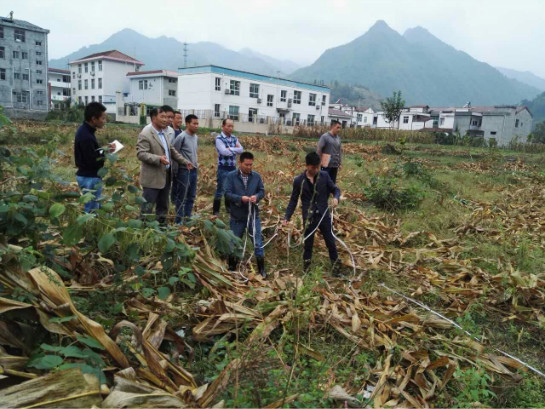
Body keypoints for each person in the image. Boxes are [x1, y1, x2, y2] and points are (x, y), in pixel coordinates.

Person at [283, 152, 341, 275]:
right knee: (308, 243)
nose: (315, 170)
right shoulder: (299, 181)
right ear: (307, 166)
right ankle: (307, 270)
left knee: (330, 241)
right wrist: (287, 217)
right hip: (309, 216)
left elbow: (335, 189)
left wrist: (336, 198)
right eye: (313, 167)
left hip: (323, 215)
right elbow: (293, 200)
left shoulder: (324, 176)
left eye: (317, 167)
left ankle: (336, 269)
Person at [136, 107, 189, 224]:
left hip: (165, 176)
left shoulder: (164, 133)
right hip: (152, 178)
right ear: (154, 118)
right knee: (147, 208)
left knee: (163, 206)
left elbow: (171, 150)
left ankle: (161, 229)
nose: (166, 120)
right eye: (163, 117)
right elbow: (141, 154)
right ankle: (143, 231)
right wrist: (158, 159)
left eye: (167, 117)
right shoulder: (146, 134)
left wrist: (184, 161)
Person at [224, 151, 266, 278]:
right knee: (234, 243)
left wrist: (256, 197)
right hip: (237, 216)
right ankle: (232, 267)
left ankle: (262, 270)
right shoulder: (231, 176)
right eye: (246, 165)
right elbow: (227, 193)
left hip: (253, 215)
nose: (249, 167)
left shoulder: (256, 176)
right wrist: (240, 198)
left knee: (258, 243)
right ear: (240, 163)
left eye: (251, 165)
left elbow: (262, 191)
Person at [74, 102, 109, 213]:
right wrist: (105, 153)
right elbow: (92, 160)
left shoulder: (85, 131)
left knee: (93, 207)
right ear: (94, 119)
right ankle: (90, 229)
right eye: (103, 118)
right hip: (89, 177)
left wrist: (105, 149)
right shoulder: (86, 136)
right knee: (92, 210)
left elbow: (91, 153)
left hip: (87, 175)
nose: (104, 121)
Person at [171, 114, 199, 224]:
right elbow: (175, 154)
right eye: (194, 123)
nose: (196, 126)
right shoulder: (181, 137)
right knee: (181, 197)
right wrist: (176, 172)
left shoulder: (196, 137)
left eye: (197, 124)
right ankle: (178, 220)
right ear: (187, 124)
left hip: (194, 170)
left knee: (191, 196)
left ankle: (187, 218)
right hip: (183, 170)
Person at [213, 118, 243, 216]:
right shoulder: (219, 139)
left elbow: (241, 150)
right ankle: (216, 211)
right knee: (220, 189)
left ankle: (228, 208)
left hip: (232, 167)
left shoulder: (234, 138)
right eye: (228, 126)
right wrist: (235, 150)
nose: (230, 128)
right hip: (223, 168)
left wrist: (230, 148)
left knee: (230, 189)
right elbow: (223, 152)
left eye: (232, 126)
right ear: (223, 126)